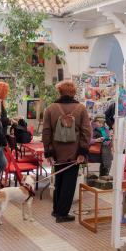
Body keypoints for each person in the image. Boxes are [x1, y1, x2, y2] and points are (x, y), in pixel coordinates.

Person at [42, 80, 92, 223]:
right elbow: (86, 132)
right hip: (74, 153)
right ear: (73, 92)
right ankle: (62, 214)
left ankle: (56, 210)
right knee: (69, 184)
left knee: (58, 180)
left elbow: (46, 132)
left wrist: (49, 152)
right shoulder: (81, 109)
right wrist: (82, 152)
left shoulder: (51, 109)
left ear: (59, 91)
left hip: (56, 153)